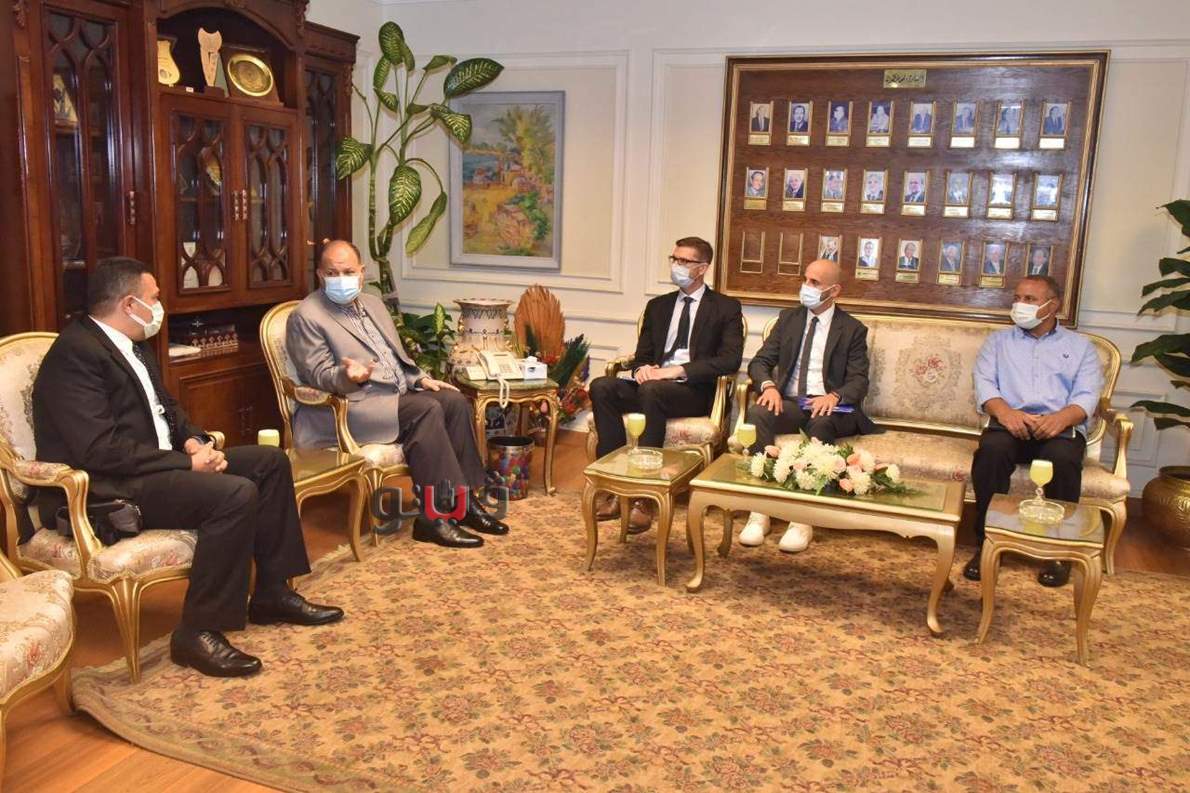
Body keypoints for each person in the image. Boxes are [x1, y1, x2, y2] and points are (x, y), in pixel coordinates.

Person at [31, 258, 342, 678]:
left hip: (154, 468)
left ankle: (271, 592)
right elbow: (98, 450)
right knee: (234, 494)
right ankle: (197, 632)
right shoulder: (75, 355)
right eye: (154, 298)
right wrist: (186, 462)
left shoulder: (131, 344)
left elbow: (167, 409)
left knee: (269, 463)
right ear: (129, 304)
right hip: (109, 487)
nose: (159, 307)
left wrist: (196, 440)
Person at [286, 241, 509, 550]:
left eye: (348, 272)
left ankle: (465, 502)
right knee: (425, 410)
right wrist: (347, 376)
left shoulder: (373, 304)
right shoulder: (306, 316)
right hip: (350, 407)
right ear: (320, 275)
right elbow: (318, 375)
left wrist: (420, 379)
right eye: (332, 273)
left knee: (454, 401)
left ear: (361, 273)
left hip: (392, 397)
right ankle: (432, 518)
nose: (340, 279)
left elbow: (395, 357)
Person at [589, 237, 743, 531]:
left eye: (684, 261)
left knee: (653, 390)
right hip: (653, 388)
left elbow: (729, 360)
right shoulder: (658, 306)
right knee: (602, 386)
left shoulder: (725, 308)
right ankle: (613, 486)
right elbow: (642, 356)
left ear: (702, 268)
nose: (676, 266)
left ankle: (644, 497)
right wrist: (642, 369)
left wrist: (676, 371)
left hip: (692, 391)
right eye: (674, 259)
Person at [965, 275, 1102, 587]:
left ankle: (1060, 551)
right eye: (1017, 298)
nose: (1020, 305)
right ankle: (987, 544)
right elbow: (984, 385)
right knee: (991, 453)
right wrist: (1006, 413)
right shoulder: (998, 342)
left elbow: (1087, 396)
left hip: (1059, 427)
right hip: (1010, 422)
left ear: (1053, 306)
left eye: (1029, 299)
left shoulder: (1080, 347)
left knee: (1062, 459)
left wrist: (1062, 418)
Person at [740, 259, 878, 552]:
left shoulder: (852, 329)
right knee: (758, 412)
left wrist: (834, 396)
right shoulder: (788, 319)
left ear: (834, 290)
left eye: (815, 283)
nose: (806, 287)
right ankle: (759, 511)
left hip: (832, 406)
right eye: (805, 280)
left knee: (821, 422)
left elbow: (859, 380)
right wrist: (769, 386)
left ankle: (802, 520)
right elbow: (760, 362)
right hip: (792, 401)